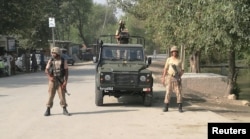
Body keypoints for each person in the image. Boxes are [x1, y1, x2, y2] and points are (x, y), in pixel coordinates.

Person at [44, 47, 70, 116]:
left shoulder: (63, 60)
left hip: (60, 81)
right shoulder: (51, 60)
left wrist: (65, 82)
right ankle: (48, 109)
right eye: (52, 53)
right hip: (52, 81)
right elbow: (46, 70)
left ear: (58, 53)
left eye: (54, 53)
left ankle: (64, 109)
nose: (52, 54)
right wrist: (49, 77)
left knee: (62, 96)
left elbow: (66, 72)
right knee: (50, 96)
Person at [161, 46, 184, 112]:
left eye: (175, 51)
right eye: (173, 51)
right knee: (168, 92)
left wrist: (179, 76)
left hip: (177, 78)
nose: (174, 53)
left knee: (179, 92)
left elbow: (182, 70)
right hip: (169, 77)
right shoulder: (169, 59)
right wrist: (163, 77)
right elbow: (165, 69)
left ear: (177, 52)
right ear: (171, 52)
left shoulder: (179, 60)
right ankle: (166, 106)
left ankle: (180, 107)